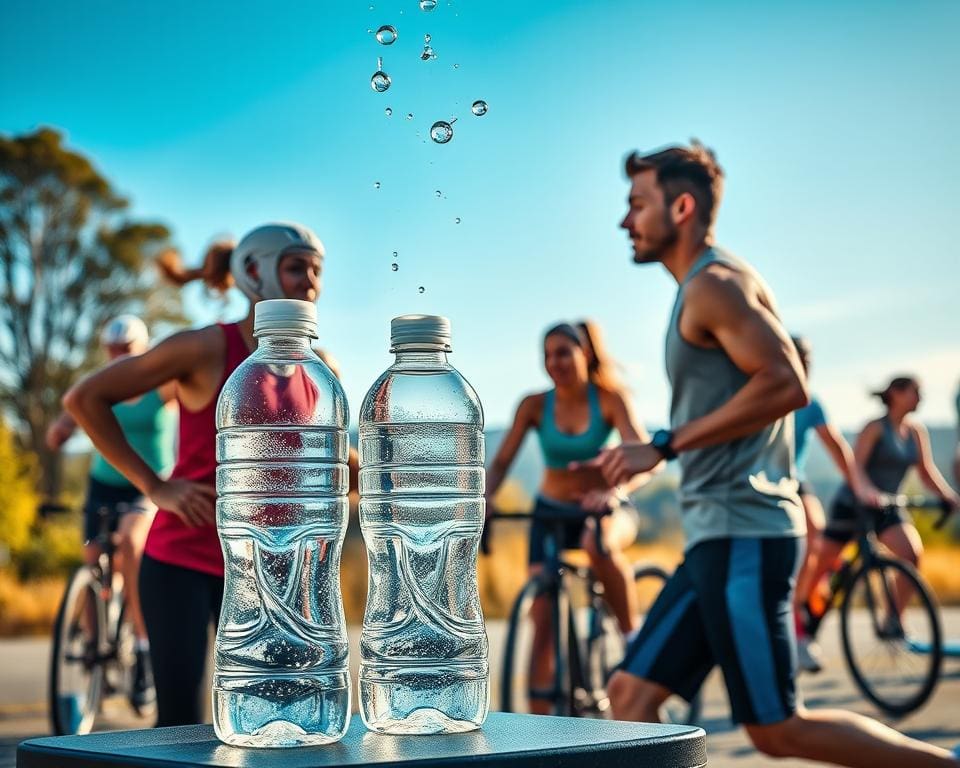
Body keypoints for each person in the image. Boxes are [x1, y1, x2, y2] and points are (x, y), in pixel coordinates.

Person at [590, 142, 957, 766]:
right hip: (717, 536)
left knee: (778, 729)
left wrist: (666, 443)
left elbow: (787, 383)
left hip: (746, 536)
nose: (626, 221)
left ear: (681, 207)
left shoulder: (715, 284)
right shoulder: (704, 286)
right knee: (628, 696)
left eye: (637, 205)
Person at [64, 223, 346, 727]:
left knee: (277, 722)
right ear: (254, 272)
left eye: (317, 270)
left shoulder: (320, 366)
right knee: (182, 726)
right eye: (296, 266)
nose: (309, 282)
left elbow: (340, 462)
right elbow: (84, 400)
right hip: (183, 562)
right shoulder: (205, 348)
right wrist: (155, 487)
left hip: (272, 573)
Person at [484, 321, 653, 713]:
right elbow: (504, 459)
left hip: (605, 506)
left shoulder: (610, 399)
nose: (553, 362)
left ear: (585, 353)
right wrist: (487, 496)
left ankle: (635, 644)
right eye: (547, 354)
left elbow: (644, 460)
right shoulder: (534, 405)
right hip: (550, 512)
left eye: (563, 352)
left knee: (600, 545)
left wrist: (615, 490)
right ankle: (540, 723)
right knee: (541, 608)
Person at [46, 315, 177, 710]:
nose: (119, 356)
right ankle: (93, 643)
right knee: (91, 561)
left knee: (131, 547)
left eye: (128, 349)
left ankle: (142, 652)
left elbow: (193, 391)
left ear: (144, 348)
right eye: (113, 349)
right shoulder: (100, 384)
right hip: (103, 483)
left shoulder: (160, 384)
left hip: (148, 483)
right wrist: (60, 430)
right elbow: (66, 421)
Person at [808, 376, 959, 616]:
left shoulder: (916, 432)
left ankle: (893, 619)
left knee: (911, 555)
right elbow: (855, 466)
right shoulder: (875, 428)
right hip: (853, 503)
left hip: (888, 504)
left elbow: (926, 471)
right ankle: (801, 613)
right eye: (915, 391)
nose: (920, 397)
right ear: (896, 394)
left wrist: (948, 495)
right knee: (817, 567)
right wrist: (866, 491)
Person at [789, 335, 881, 673]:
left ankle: (801, 612)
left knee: (815, 531)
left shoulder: (810, 402)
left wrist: (859, 486)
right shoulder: (767, 390)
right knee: (798, 541)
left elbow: (837, 446)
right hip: (766, 479)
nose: (805, 367)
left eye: (809, 362)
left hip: (795, 478)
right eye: (800, 359)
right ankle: (795, 621)